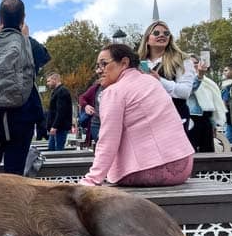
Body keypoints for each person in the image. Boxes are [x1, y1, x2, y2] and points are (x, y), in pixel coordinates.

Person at [80, 43, 194, 187]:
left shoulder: (114, 92)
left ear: (124, 63)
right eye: (97, 66)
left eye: (103, 64)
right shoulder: (151, 82)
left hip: (150, 170)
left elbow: (108, 140)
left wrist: (91, 180)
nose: (98, 70)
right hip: (183, 166)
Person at [0, 0, 49, 175]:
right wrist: (25, 38)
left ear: (0, 19)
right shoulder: (31, 45)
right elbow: (43, 58)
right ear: (23, 19)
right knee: (15, 173)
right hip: (22, 116)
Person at [137, 20, 194, 132]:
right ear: (147, 39)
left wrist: (159, 81)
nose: (162, 35)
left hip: (174, 119)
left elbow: (185, 92)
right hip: (145, 120)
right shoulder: (137, 63)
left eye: (166, 33)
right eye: (156, 33)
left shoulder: (182, 60)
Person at [187, 56, 227, 153]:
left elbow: (214, 105)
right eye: (189, 63)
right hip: (191, 120)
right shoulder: (184, 83)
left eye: (196, 62)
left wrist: (213, 125)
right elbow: (190, 90)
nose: (193, 65)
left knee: (207, 151)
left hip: (206, 121)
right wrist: (199, 76)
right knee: (192, 152)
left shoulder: (209, 83)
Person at [45, 72, 73, 151]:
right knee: (52, 149)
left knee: (57, 150)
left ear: (55, 80)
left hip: (59, 128)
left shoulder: (62, 91)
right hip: (56, 127)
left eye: (49, 81)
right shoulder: (57, 91)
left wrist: (55, 126)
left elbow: (61, 111)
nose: (47, 84)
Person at [78, 79, 102, 148]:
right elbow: (82, 97)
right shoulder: (96, 88)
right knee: (101, 146)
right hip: (96, 123)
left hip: (110, 123)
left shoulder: (116, 87)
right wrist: (86, 105)